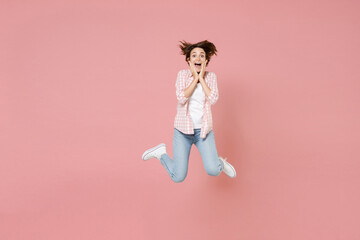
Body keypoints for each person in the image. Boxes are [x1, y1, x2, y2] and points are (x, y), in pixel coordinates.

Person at [142, 40, 236, 183]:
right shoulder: (182, 75)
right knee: (178, 177)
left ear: (206, 60)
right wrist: (194, 78)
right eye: (194, 55)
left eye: (202, 56)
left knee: (213, 170)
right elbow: (181, 98)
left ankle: (220, 163)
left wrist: (201, 78)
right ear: (188, 60)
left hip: (203, 132)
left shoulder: (211, 77)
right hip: (182, 132)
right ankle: (161, 154)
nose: (198, 58)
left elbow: (213, 99)